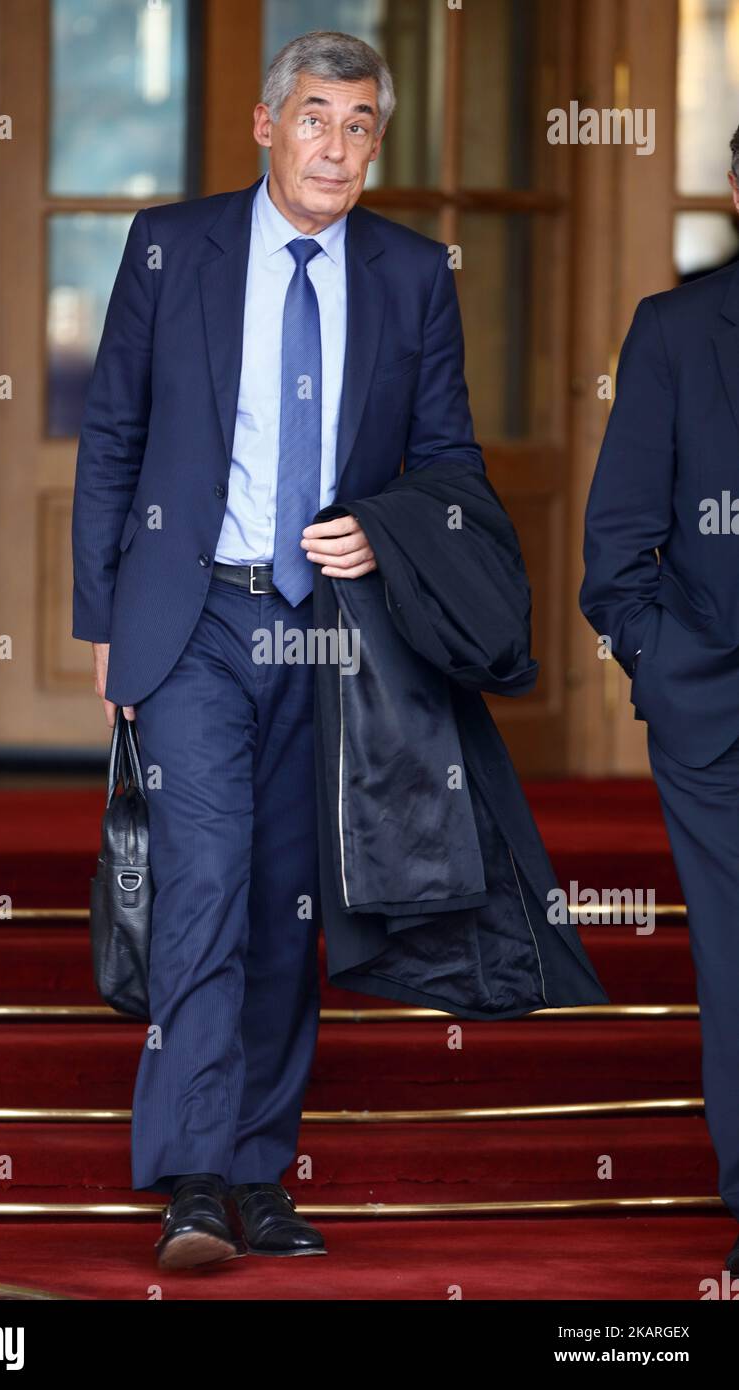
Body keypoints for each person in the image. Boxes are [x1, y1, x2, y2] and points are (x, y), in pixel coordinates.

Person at [72, 29, 484, 1270]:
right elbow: (111, 436)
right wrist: (103, 624)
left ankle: (260, 1174)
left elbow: (450, 466)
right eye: (316, 118)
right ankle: (194, 1180)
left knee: (285, 905)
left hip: (330, 638)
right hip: (193, 616)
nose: (338, 147)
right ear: (265, 125)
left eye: (360, 126)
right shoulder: (169, 246)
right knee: (203, 884)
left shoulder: (412, 274)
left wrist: (383, 526)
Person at [580, 125, 739, 1279]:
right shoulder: (674, 332)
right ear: (734, 189)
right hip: (713, 709)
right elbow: (613, 551)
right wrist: (666, 669)